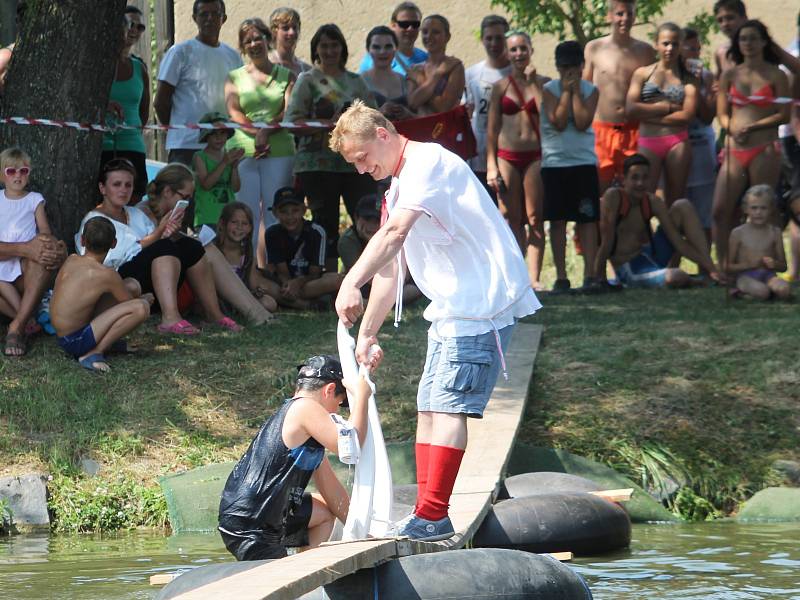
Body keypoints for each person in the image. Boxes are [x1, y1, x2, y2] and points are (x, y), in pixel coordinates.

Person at [330, 101, 541, 541]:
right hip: (451, 313)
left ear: (383, 134)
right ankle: (427, 514)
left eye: (363, 157)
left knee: (446, 407)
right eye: (355, 163)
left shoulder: (428, 163)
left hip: (477, 309)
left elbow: (393, 236)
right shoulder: (397, 187)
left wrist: (351, 279)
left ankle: (432, 515)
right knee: (428, 407)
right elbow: (390, 268)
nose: (362, 169)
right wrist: (367, 333)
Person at [218, 355, 371, 561]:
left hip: (267, 516)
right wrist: (362, 396)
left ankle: (307, 569)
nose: (336, 411)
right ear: (329, 390)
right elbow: (351, 447)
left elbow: (333, 494)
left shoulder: (307, 434)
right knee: (279, 585)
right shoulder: (304, 408)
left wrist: (361, 534)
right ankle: (296, 575)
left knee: (325, 513)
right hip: (250, 523)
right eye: (339, 402)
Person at [77, 160, 242, 335]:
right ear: (103, 188)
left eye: (128, 185)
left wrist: (167, 233)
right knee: (163, 246)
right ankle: (170, 318)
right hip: (118, 283)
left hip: (147, 279)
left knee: (191, 246)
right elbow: (112, 257)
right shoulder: (94, 220)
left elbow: (156, 243)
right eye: (116, 184)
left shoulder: (135, 214)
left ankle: (213, 314)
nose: (123, 190)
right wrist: (159, 235)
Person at [285, 23, 377, 272]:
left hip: (355, 165)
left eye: (334, 44)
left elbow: (373, 119)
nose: (329, 50)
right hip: (316, 165)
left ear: (343, 48)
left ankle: (370, 276)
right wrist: (328, 124)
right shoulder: (307, 80)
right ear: (316, 49)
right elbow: (292, 123)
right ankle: (326, 279)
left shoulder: (356, 82)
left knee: (368, 218)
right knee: (324, 224)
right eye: (324, 45)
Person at [713, 20, 790, 267]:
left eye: (754, 38)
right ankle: (725, 266)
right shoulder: (729, 74)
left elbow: (785, 114)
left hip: (765, 148)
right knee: (719, 210)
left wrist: (754, 127)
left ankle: (771, 265)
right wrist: (730, 126)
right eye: (743, 39)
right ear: (737, 44)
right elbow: (722, 113)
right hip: (734, 149)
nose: (748, 43)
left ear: (764, 42)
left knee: (765, 212)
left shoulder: (776, 74)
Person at [225, 17, 296, 268]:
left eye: (258, 38)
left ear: (268, 39)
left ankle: (277, 269)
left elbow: (289, 112)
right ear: (243, 47)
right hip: (244, 152)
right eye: (248, 41)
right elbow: (234, 110)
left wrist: (267, 131)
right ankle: (247, 268)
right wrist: (257, 134)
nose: (254, 43)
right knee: (245, 213)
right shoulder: (234, 77)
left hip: (280, 151)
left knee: (276, 214)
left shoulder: (287, 75)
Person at [593, 154, 721, 288]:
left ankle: (711, 272)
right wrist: (597, 279)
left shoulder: (652, 201)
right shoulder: (614, 197)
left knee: (682, 205)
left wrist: (712, 268)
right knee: (676, 276)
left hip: (650, 256)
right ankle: (698, 280)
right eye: (635, 178)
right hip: (629, 268)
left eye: (645, 178)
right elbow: (605, 243)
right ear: (623, 180)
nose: (640, 183)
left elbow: (678, 242)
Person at [50, 216, 152, 373]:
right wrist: (144, 299)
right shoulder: (107, 275)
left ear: (83, 240)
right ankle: (94, 352)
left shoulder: (72, 258)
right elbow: (128, 305)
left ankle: (106, 343)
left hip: (64, 335)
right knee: (141, 308)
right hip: (75, 340)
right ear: (114, 244)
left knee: (132, 285)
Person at [486, 31, 547, 288]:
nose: (519, 54)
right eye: (514, 50)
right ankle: (515, 276)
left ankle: (534, 278)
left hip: (535, 155)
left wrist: (533, 85)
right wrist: (491, 164)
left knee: (534, 218)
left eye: (523, 48)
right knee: (510, 217)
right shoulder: (501, 87)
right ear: (507, 54)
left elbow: (548, 117)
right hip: (506, 156)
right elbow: (492, 129)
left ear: (531, 49)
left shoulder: (544, 83)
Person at [540, 41, 600, 291]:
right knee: (557, 220)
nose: (569, 72)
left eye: (574, 67)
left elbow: (584, 121)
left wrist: (576, 92)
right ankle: (562, 278)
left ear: (582, 66)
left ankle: (589, 275)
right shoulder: (549, 90)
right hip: (555, 163)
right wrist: (566, 91)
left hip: (584, 162)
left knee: (586, 220)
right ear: (557, 67)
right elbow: (560, 122)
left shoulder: (592, 90)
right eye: (564, 67)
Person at [154, 0, 242, 165]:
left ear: (224, 18)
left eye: (215, 14)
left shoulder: (233, 56)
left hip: (220, 147)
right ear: (194, 18)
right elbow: (160, 101)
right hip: (185, 146)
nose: (209, 18)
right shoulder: (179, 52)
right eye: (203, 14)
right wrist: (178, 129)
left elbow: (238, 100)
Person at [583, 0, 656, 191]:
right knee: (600, 190)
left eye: (629, 14)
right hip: (601, 130)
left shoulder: (646, 51)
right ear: (609, 16)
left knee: (634, 190)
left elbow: (654, 89)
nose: (625, 19)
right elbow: (585, 91)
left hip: (633, 130)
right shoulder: (594, 48)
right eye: (620, 14)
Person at [0, 147, 66, 356]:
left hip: (23, 263)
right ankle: (27, 319)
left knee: (42, 257)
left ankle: (17, 325)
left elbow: (44, 230)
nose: (18, 176)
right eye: (11, 171)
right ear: (2, 175)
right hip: (2, 259)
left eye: (23, 171)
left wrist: (44, 243)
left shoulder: (34, 199)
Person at [626, 23, 698, 205]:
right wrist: (666, 107)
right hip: (649, 141)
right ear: (656, 44)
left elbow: (687, 116)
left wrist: (648, 114)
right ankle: (643, 234)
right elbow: (631, 109)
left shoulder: (688, 78)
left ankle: (669, 233)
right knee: (642, 199)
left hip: (677, 141)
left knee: (676, 199)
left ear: (681, 45)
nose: (670, 48)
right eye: (665, 43)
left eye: (675, 44)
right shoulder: (642, 74)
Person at [263, 187, 343, 310]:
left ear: (304, 210)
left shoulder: (317, 232)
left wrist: (298, 283)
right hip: (284, 284)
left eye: (295, 211)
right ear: (274, 212)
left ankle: (290, 302)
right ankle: (308, 304)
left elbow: (315, 273)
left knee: (336, 279)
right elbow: (281, 272)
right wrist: (289, 285)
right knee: (262, 284)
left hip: (309, 283)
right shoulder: (272, 233)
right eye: (284, 212)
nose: (290, 217)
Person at [101, 6, 150, 203]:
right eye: (130, 24)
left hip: (133, 145)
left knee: (134, 202)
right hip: (103, 146)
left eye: (140, 27)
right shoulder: (98, 65)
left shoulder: (140, 67)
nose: (134, 30)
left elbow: (144, 113)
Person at [338, 195, 422, 302]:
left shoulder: (395, 235)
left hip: (397, 283)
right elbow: (364, 278)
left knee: (414, 288)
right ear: (356, 218)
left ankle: (377, 304)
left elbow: (405, 276)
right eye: (367, 219)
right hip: (367, 285)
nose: (372, 225)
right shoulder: (349, 240)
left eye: (377, 220)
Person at [464, 15, 511, 199]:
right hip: (478, 156)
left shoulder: (516, 74)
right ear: (482, 39)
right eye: (489, 38)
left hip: (510, 154)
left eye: (499, 38)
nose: (494, 43)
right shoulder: (471, 74)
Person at [681, 27, 718, 238]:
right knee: (678, 209)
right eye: (690, 49)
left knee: (705, 213)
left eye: (698, 49)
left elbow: (706, 116)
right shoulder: (670, 75)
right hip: (680, 149)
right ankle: (673, 267)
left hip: (703, 148)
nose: (695, 54)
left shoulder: (706, 76)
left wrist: (695, 85)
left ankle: (705, 267)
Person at [728, 184, 790, 299]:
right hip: (745, 276)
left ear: (771, 209)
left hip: (768, 275)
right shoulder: (738, 233)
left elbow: (784, 266)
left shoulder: (775, 232)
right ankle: (741, 292)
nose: (758, 212)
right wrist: (748, 265)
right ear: (746, 209)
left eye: (763, 208)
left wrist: (774, 263)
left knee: (784, 289)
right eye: (754, 208)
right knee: (762, 291)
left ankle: (766, 293)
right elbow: (728, 266)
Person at [215, 202, 278, 314]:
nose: (239, 227)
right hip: (218, 298)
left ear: (250, 228)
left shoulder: (247, 257)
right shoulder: (214, 251)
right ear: (222, 223)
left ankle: (240, 309)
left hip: (240, 297)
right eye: (234, 222)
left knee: (269, 303)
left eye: (245, 223)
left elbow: (251, 285)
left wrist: (258, 291)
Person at [192, 112, 242, 228]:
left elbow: (235, 188)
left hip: (229, 217)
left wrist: (234, 167)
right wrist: (224, 163)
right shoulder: (199, 156)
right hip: (207, 217)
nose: (219, 138)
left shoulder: (227, 156)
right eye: (214, 133)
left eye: (223, 133)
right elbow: (206, 184)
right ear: (206, 136)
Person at [407, 15, 464, 116]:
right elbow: (412, 103)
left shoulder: (455, 66)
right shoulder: (415, 68)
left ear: (447, 36)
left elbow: (444, 107)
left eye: (436, 32)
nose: (429, 36)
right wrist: (438, 75)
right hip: (421, 128)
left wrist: (420, 81)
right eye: (425, 32)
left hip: (446, 128)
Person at [362, 26, 416, 121]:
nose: (382, 52)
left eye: (388, 46)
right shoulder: (358, 82)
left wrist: (408, 114)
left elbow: (421, 116)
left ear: (396, 49)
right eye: (376, 47)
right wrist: (378, 113)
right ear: (368, 50)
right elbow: (349, 123)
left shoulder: (404, 80)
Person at [358, 2, 428, 74]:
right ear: (393, 26)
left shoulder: (425, 58)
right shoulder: (373, 59)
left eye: (415, 24)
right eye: (404, 24)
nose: (410, 29)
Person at [268, 7, 311, 77]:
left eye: (295, 27)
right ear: (274, 32)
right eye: (285, 28)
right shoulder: (268, 65)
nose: (292, 32)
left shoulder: (306, 70)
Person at [713, 0, 749, 77]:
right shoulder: (721, 53)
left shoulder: (761, 45)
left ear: (744, 18)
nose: (725, 24)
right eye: (720, 20)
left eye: (730, 18)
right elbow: (718, 82)